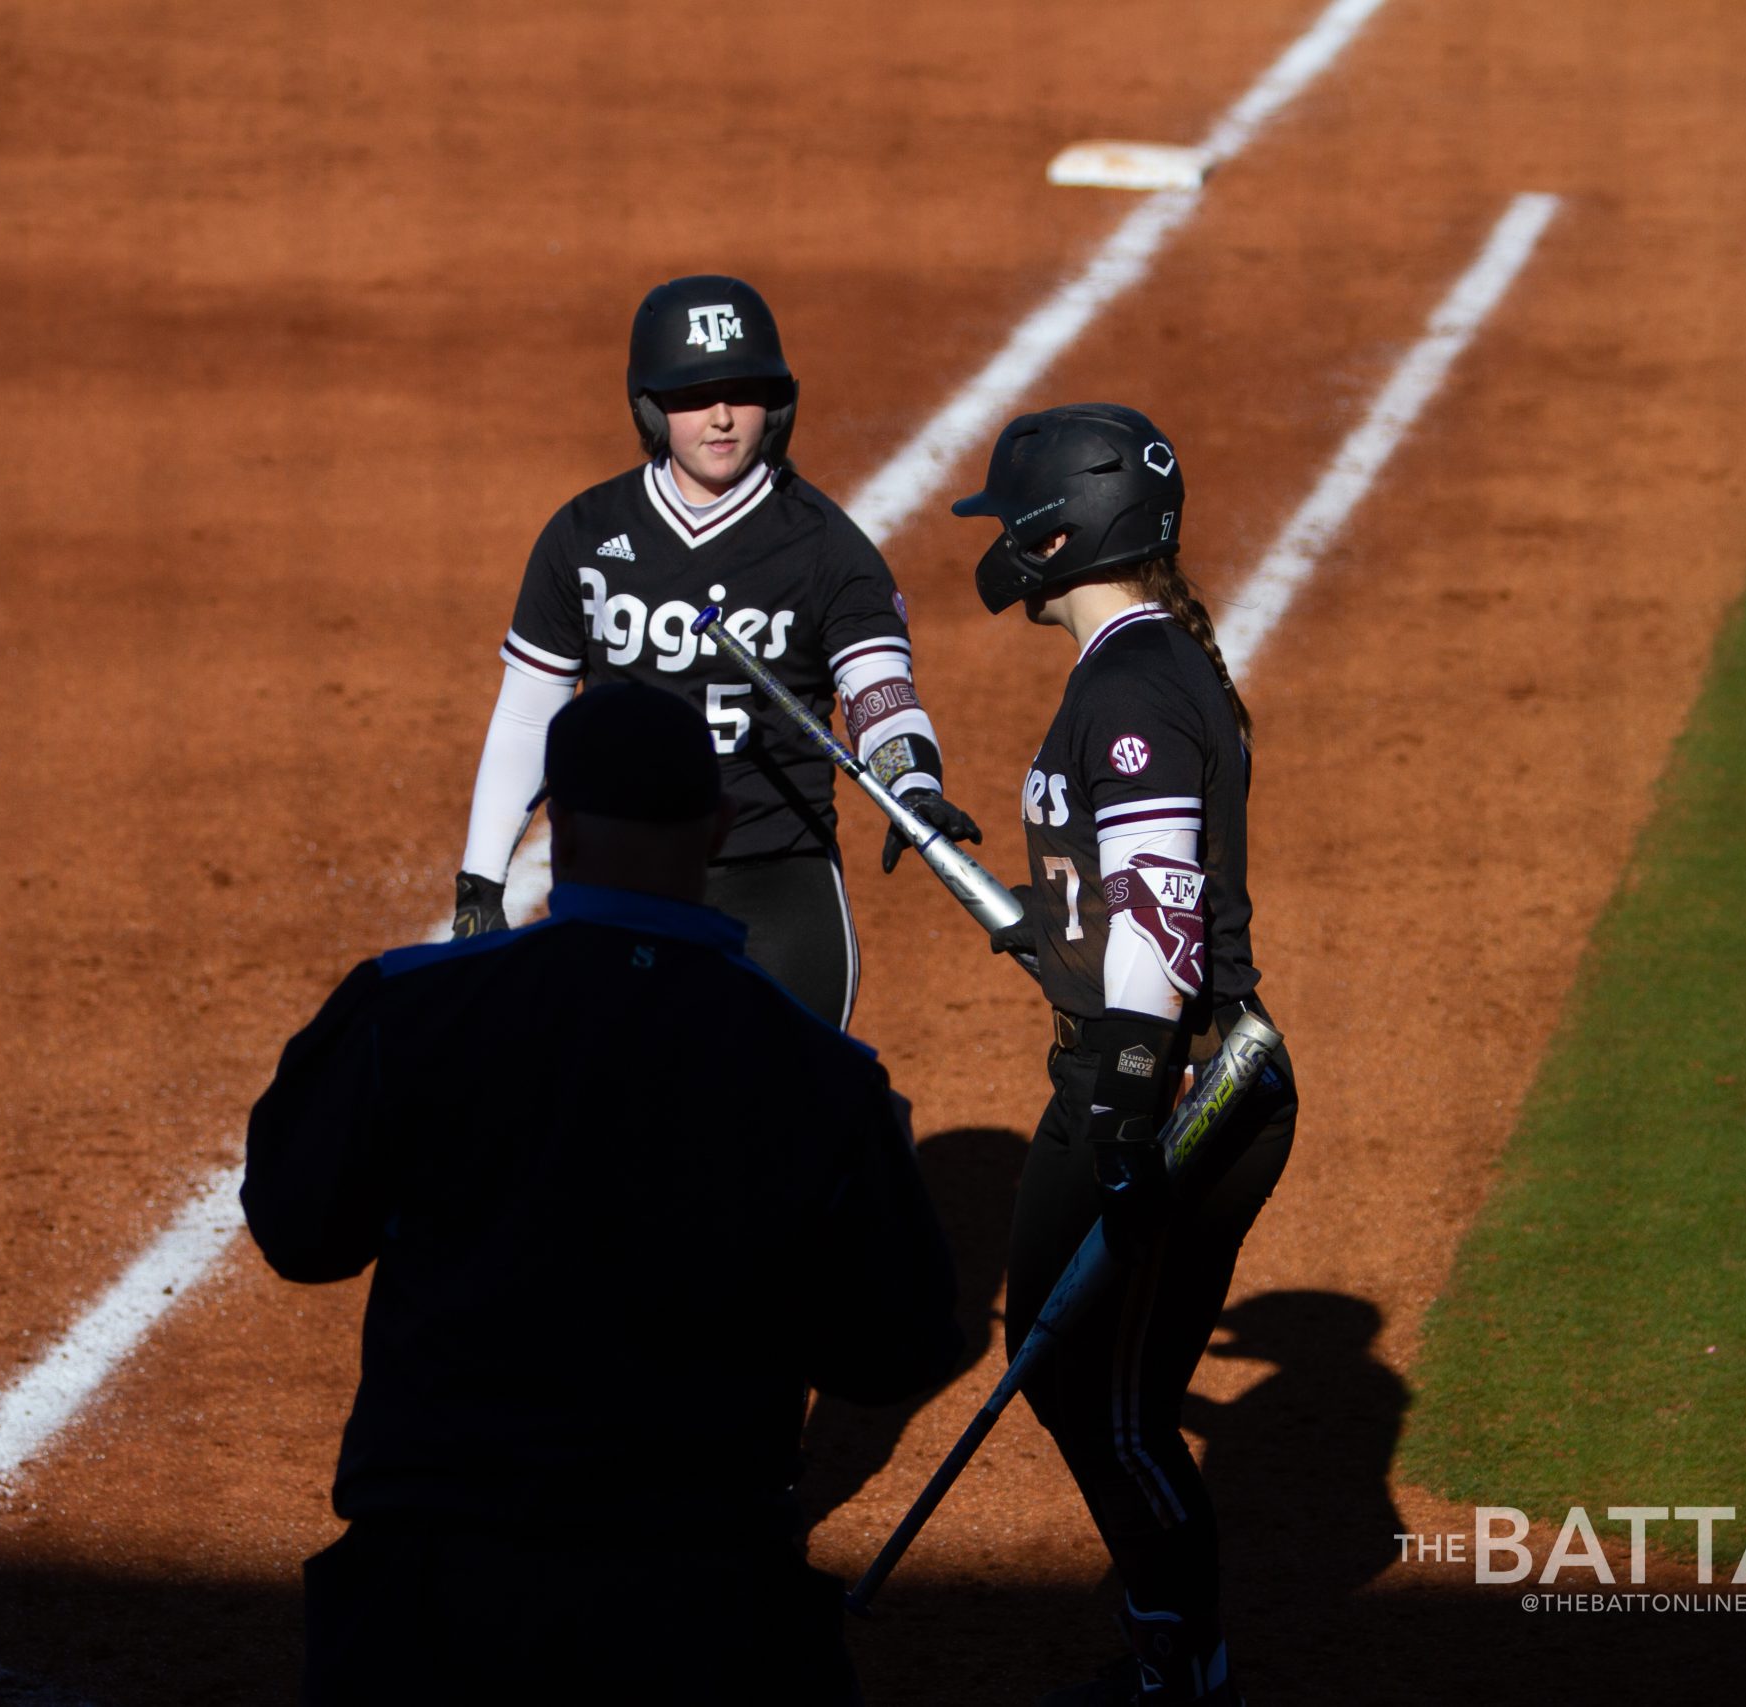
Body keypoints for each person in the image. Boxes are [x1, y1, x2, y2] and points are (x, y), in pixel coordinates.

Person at [244, 680, 962, 1705]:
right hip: (699, 1605)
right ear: (715, 830)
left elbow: (297, 1231)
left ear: (560, 831)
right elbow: (893, 1348)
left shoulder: (407, 1011)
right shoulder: (823, 1078)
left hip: (436, 1594)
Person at [948, 405, 1299, 1707]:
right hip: (1135, 1074)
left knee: (1111, 1398)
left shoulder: (1134, 689)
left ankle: (1181, 1655)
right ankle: (1169, 1628)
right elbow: (1124, 899)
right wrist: (1043, 925)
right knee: (1071, 1369)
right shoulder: (1137, 667)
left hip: (1171, 1094)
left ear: (1062, 528)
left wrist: (1122, 1109)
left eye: (1012, 520)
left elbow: (1157, 919)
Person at [446, 273, 981, 1028]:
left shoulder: (829, 550)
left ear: (779, 400)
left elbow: (880, 694)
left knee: (777, 1129)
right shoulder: (584, 536)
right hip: (622, 880)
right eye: (694, 396)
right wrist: (480, 879)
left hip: (777, 884)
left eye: (743, 390)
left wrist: (910, 782)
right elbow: (530, 716)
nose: (723, 416)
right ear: (650, 406)